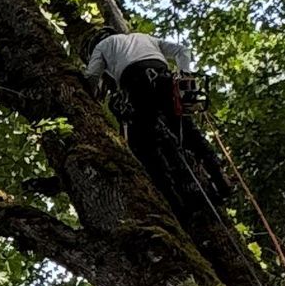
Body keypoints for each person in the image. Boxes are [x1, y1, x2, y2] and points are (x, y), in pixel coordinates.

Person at [83, 29, 224, 206]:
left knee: (144, 146)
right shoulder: (145, 38)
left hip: (136, 87)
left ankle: (174, 200)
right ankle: (219, 177)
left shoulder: (101, 46)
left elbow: (92, 76)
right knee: (187, 131)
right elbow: (183, 51)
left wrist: (89, 95)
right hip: (165, 81)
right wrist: (184, 75)